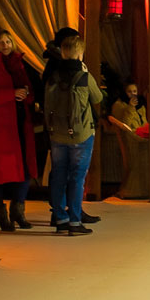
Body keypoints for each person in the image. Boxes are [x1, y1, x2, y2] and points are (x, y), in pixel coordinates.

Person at [45, 35, 103, 236]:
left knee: (58, 175)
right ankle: (75, 222)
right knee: (77, 177)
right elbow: (98, 97)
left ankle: (60, 219)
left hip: (57, 133)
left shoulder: (53, 76)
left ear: (63, 53)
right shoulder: (83, 76)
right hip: (81, 133)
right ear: (80, 54)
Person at [0, 29, 38, 231]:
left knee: (25, 168)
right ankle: (0, 213)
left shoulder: (18, 63)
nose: (5, 45)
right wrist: (11, 93)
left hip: (20, 123)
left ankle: (18, 210)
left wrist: (26, 95)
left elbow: (29, 91)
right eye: (1, 42)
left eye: (8, 41)